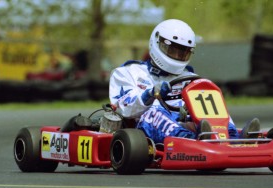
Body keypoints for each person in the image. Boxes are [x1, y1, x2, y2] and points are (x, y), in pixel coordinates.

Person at [109, 19, 259, 144]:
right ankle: (192, 141)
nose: (176, 56)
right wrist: (150, 94)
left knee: (209, 102)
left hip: (184, 120)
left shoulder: (189, 76)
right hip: (143, 129)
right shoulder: (128, 72)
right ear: (157, 43)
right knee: (153, 112)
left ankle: (233, 139)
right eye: (171, 50)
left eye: (182, 52)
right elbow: (125, 108)